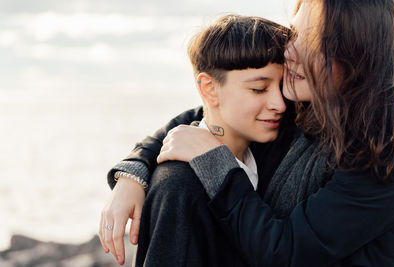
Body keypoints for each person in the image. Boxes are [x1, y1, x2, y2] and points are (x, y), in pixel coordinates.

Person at [102, 0, 394, 266]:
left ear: (358, 55)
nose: (290, 50)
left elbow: (287, 252)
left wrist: (214, 161)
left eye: (312, 40)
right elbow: (203, 118)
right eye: (294, 34)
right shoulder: (302, 103)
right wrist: (133, 175)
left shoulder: (383, 155)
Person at [100, 14, 291, 266]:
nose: (280, 103)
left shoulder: (268, 148)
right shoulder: (180, 187)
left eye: (285, 84)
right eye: (259, 88)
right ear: (209, 89)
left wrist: (132, 172)